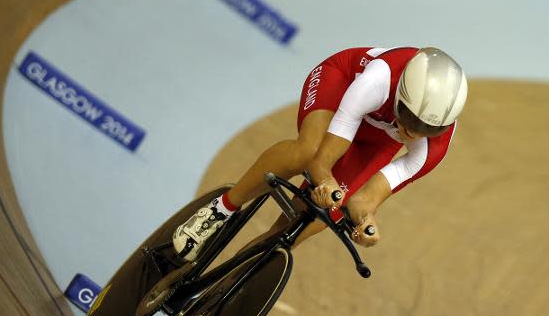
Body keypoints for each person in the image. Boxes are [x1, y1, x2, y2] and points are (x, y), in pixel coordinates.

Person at [172, 46, 467, 261]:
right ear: (401, 93)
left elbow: (366, 200)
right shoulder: (378, 80)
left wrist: (366, 222)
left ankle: (232, 280)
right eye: (410, 119)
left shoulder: (434, 147)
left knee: (318, 218)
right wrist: (324, 179)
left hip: (378, 139)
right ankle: (221, 209)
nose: (412, 133)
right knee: (308, 152)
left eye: (425, 128)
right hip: (340, 84)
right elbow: (321, 161)